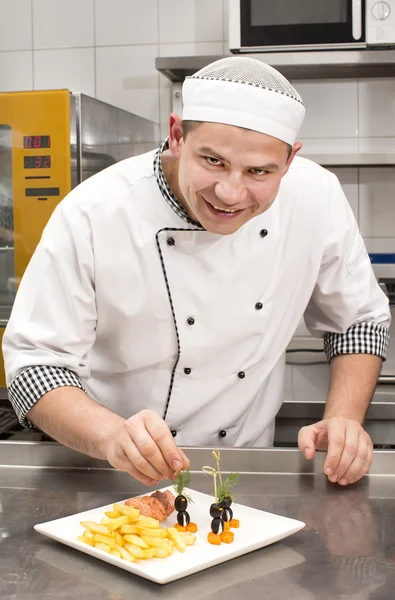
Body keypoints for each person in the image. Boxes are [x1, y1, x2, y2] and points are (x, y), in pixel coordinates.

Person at [3, 57, 390, 487]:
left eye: (259, 171)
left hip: (240, 469)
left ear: (290, 160)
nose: (230, 193)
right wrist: (111, 435)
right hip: (107, 469)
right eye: (213, 161)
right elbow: (35, 366)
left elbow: (357, 320)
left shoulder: (316, 197)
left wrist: (342, 419)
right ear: (176, 137)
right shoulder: (93, 212)